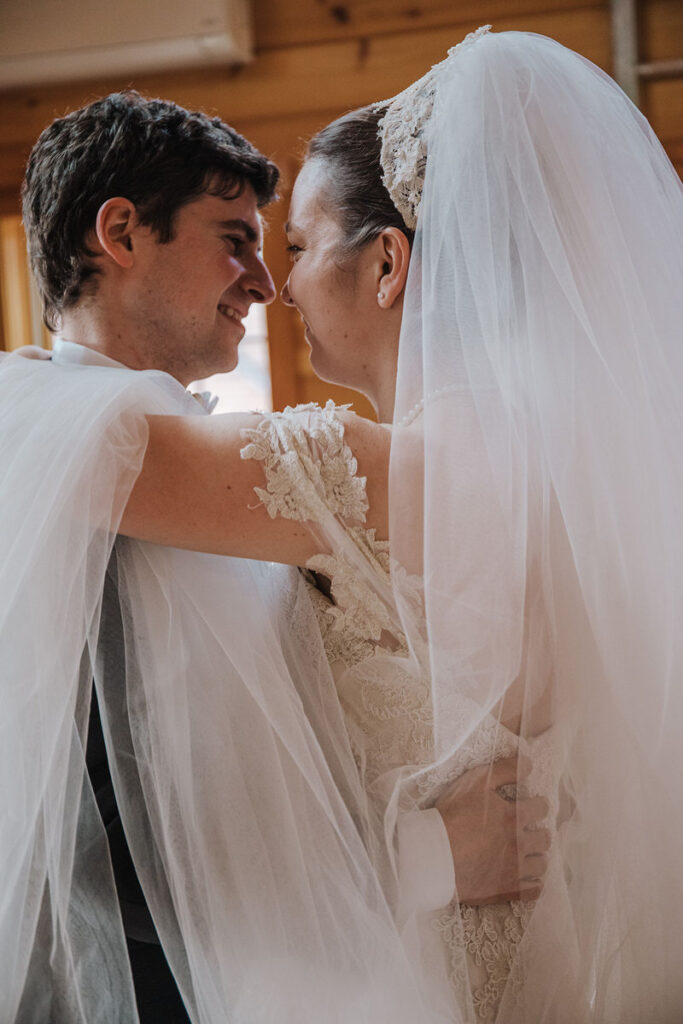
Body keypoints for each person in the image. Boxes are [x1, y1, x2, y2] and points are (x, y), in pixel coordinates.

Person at [118, 27, 683, 1022]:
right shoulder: (577, 481)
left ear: (387, 263)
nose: (279, 287)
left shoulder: (358, 474)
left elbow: (99, 459)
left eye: (295, 247)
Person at [1, 89, 546, 1024]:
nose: (264, 284)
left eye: (280, 246)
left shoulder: (211, 475)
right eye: (236, 239)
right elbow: (87, 847)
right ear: (121, 233)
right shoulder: (59, 468)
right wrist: (422, 858)